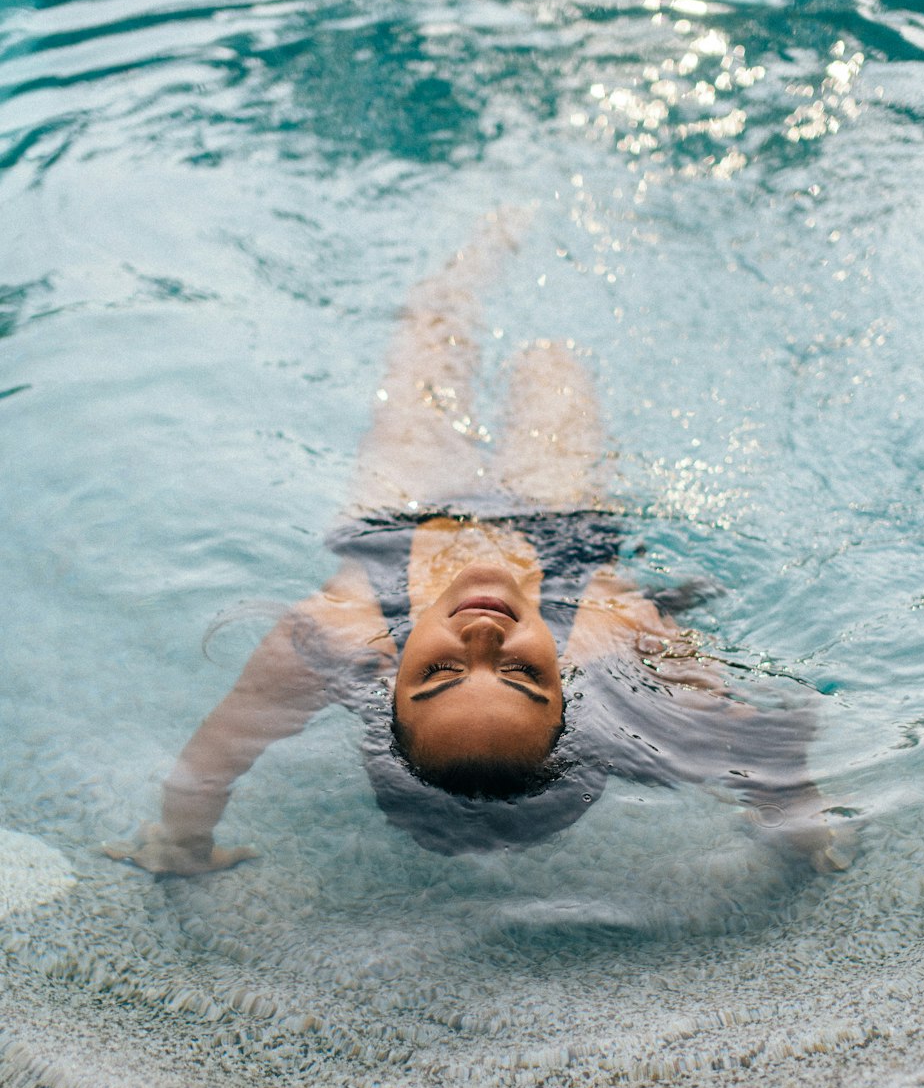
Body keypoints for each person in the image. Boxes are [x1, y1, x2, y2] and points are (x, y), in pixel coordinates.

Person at [108, 215, 844, 875]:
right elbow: (748, 746)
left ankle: (476, 247)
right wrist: (799, 828)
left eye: (437, 673)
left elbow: (214, 761)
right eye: (524, 673)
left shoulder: (331, 640)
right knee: (552, 366)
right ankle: (579, 230)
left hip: (403, 516)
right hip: (559, 525)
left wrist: (178, 845)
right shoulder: (610, 643)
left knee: (427, 346)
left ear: (387, 693)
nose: (484, 634)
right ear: (571, 698)